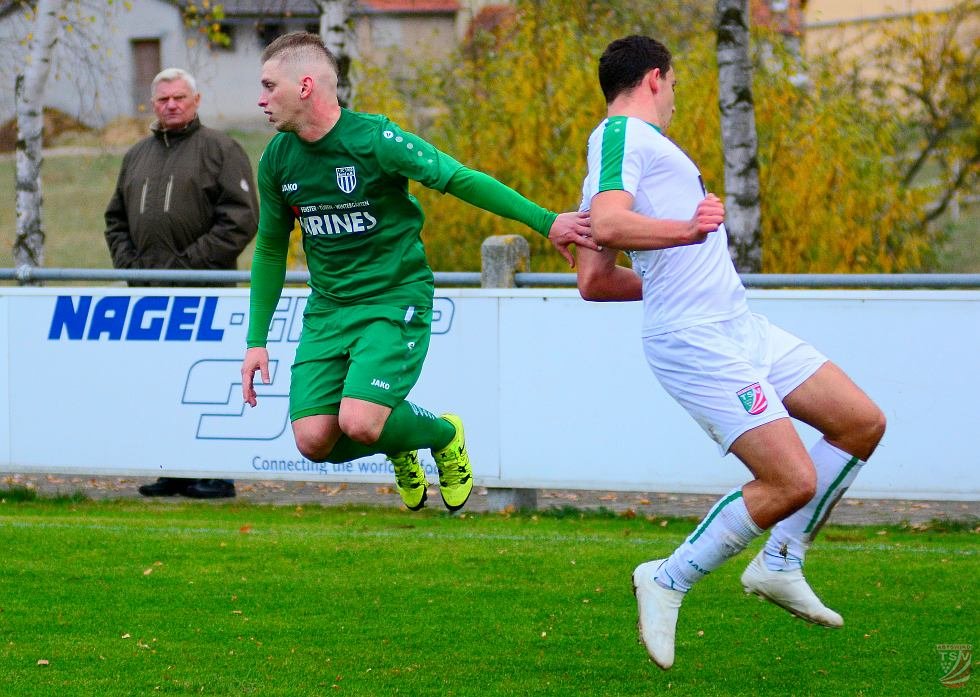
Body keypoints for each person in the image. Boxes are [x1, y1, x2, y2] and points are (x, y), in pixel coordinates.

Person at [575, 35, 886, 670]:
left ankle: (780, 562)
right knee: (791, 478)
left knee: (861, 423)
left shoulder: (634, 153)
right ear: (657, 78)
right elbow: (607, 227)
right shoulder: (619, 137)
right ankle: (668, 578)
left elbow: (596, 279)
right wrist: (687, 230)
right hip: (695, 340)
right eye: (675, 86)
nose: (674, 99)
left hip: (737, 325)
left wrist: (671, 266)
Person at [240, 32, 594, 512]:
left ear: (305, 86)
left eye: (268, 86)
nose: (260, 100)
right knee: (312, 440)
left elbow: (459, 178)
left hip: (393, 299)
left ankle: (444, 434)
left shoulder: (376, 140)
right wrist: (255, 341)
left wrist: (548, 221)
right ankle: (399, 442)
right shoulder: (277, 160)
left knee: (361, 422)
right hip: (328, 311)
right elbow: (268, 249)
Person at [105, 67, 259, 500]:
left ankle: (216, 473)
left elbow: (242, 219)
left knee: (205, 384)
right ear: (153, 105)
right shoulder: (136, 155)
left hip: (204, 296)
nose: (171, 105)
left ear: (196, 100)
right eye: (162, 99)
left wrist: (187, 265)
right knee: (161, 384)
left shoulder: (221, 150)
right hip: (149, 298)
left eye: (179, 97)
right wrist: (129, 266)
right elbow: (115, 219)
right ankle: (170, 469)